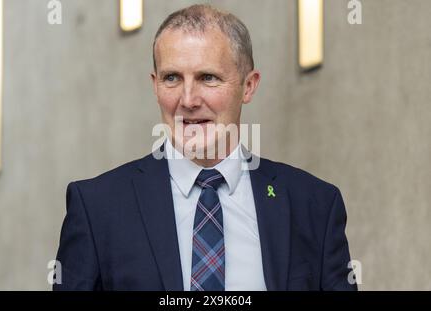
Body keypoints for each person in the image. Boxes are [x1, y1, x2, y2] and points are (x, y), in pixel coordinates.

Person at [54, 4, 357, 291]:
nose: (188, 100)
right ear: (155, 85)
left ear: (248, 86)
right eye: (171, 78)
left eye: (207, 78)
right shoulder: (97, 208)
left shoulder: (314, 205)